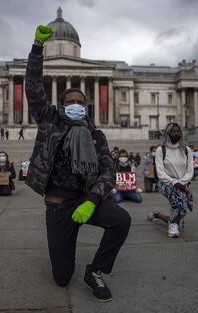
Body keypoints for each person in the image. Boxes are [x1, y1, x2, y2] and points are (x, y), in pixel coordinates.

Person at [25, 25, 131, 302]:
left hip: (86, 201)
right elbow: (35, 88)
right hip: (58, 206)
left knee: (121, 220)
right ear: (61, 106)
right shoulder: (50, 122)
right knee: (61, 278)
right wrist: (38, 47)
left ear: (87, 107)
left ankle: (95, 270)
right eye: (69, 101)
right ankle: (66, 246)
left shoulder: (96, 135)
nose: (75, 104)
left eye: (79, 102)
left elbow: (109, 170)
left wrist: (93, 199)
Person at [147, 123, 194, 238]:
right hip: (165, 183)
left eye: (178, 131)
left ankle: (157, 215)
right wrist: (175, 183)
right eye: (173, 131)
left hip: (183, 183)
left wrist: (181, 182)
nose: (176, 133)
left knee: (180, 210)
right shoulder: (160, 150)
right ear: (168, 133)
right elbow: (160, 172)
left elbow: (190, 171)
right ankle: (173, 226)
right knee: (178, 199)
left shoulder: (187, 150)